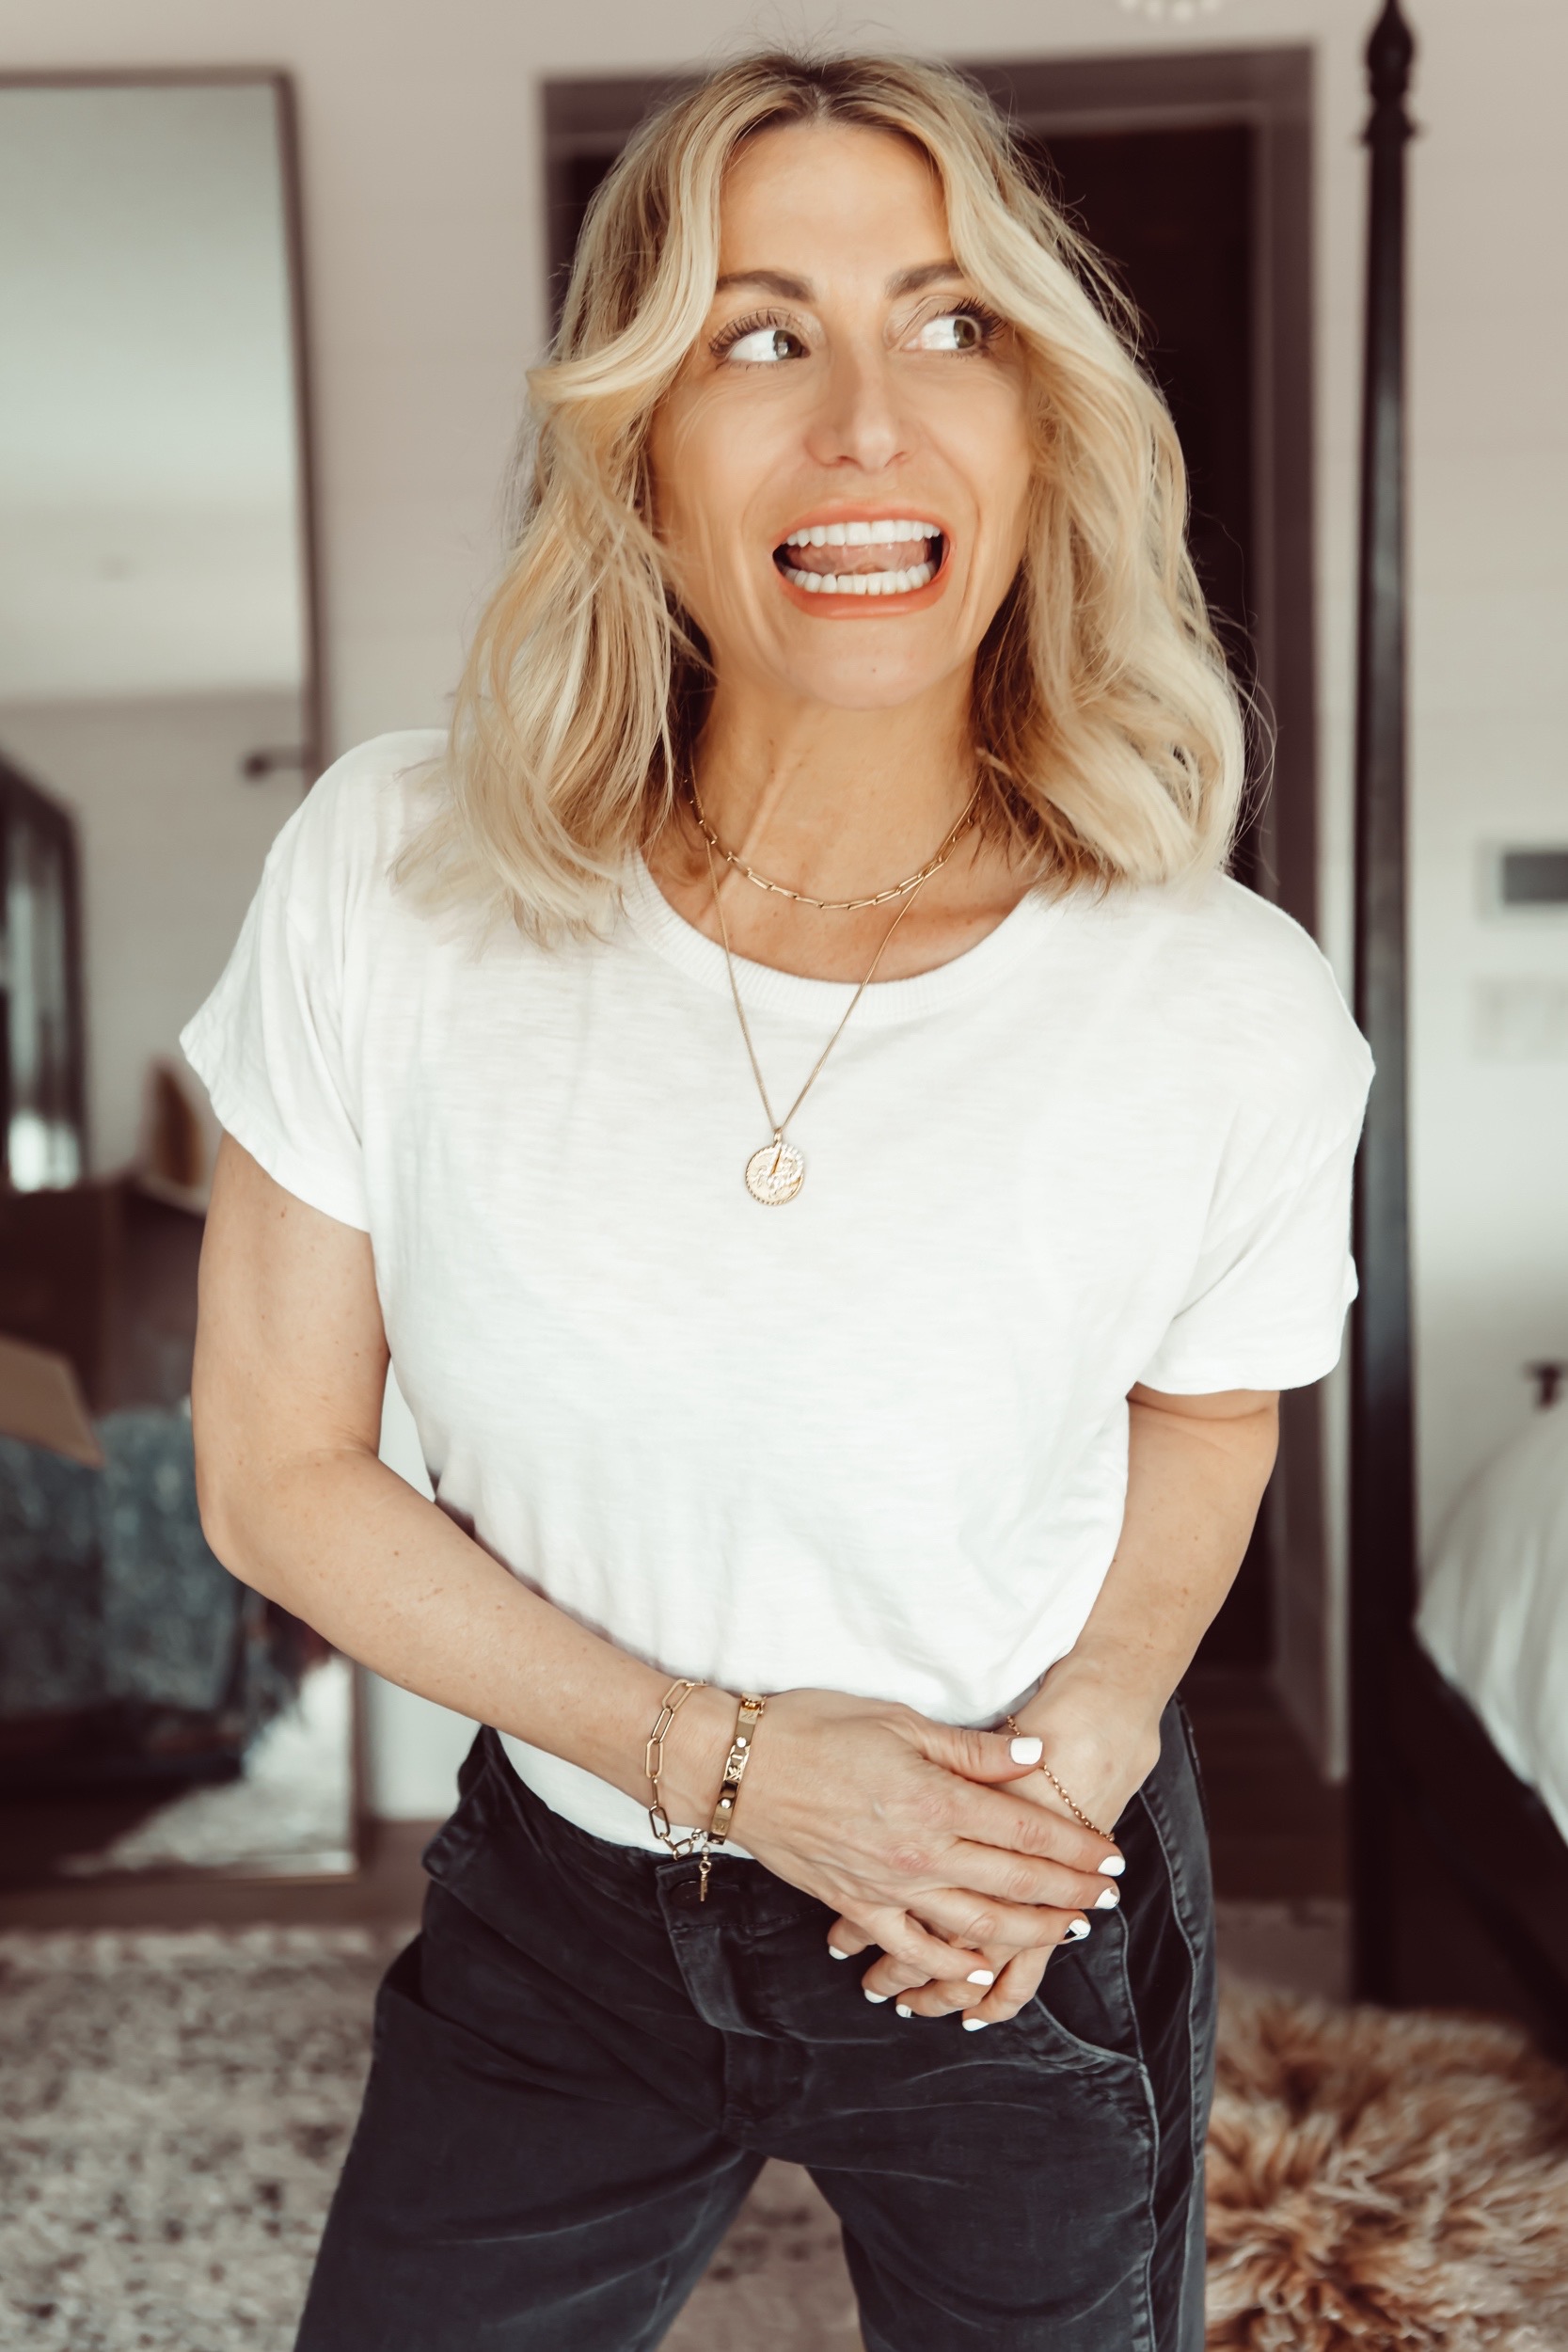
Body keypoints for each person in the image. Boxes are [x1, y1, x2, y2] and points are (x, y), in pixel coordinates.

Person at [182, 50, 1371, 2352]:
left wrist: (1099, 1735)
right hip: (563, 1906)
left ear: (1042, 427)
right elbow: (274, 1472)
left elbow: (1211, 1419)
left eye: (951, 327)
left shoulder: (1224, 1002)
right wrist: (737, 1767)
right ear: (635, 437)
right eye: (756, 333)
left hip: (991, 1903)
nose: (865, 426)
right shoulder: (389, 880)